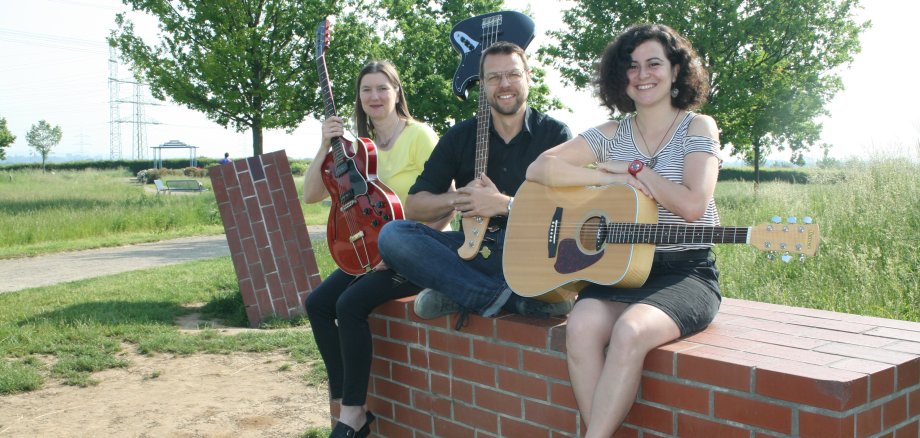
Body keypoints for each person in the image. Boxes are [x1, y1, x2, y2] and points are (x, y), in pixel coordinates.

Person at [525, 23, 721, 436]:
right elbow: (538, 168)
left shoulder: (698, 127)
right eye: (631, 66)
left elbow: (691, 205)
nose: (642, 74)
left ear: (676, 71)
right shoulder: (613, 133)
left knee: (630, 330)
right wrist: (604, 179)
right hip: (622, 268)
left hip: (684, 273)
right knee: (579, 326)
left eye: (654, 63)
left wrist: (635, 169)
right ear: (621, 77)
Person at [377, 41, 574, 327]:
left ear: (528, 77)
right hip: (474, 252)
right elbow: (416, 206)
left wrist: (503, 205)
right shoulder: (460, 136)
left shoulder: (555, 134)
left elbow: (568, 213)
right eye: (494, 77)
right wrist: (462, 199)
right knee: (393, 235)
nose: (504, 84)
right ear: (482, 85)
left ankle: (459, 293)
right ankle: (504, 299)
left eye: (513, 75)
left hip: (533, 250)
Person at [301, 60, 445, 438]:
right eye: (367, 90)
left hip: (415, 251)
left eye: (382, 88)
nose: (375, 96)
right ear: (359, 98)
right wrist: (323, 146)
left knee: (349, 305)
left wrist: (404, 250)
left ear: (397, 92)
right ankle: (346, 397)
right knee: (317, 304)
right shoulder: (353, 149)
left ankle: (352, 415)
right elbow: (312, 195)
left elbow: (444, 203)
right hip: (367, 252)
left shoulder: (420, 137)